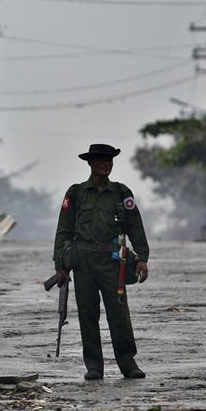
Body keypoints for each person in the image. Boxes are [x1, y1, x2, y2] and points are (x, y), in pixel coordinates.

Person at [53, 144, 150, 380]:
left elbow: (135, 227)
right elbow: (63, 230)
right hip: (83, 262)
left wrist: (142, 258)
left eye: (109, 160)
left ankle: (128, 364)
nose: (105, 164)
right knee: (87, 315)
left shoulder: (121, 193)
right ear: (90, 163)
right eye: (100, 160)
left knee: (119, 315)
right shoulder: (75, 193)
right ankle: (94, 366)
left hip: (113, 261)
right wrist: (61, 267)